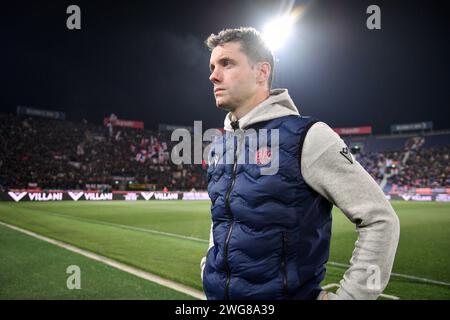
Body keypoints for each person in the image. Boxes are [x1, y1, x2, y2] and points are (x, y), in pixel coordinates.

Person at [200, 27, 400, 300]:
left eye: (227, 63)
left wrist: (351, 298)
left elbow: (380, 219)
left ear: (261, 72)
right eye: (212, 66)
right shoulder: (220, 146)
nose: (213, 75)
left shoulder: (309, 136)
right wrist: (207, 269)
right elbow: (222, 219)